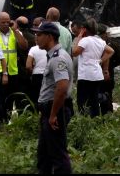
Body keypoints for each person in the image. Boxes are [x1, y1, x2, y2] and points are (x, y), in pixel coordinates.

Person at [33, 21, 73, 174]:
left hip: (55, 109)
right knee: (44, 154)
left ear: (49, 37)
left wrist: (53, 114)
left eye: (39, 34)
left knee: (58, 154)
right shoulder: (54, 55)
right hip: (50, 109)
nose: (36, 37)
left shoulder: (58, 58)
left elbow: (62, 87)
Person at [0, 12, 28, 117]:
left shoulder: (15, 31)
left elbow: (24, 46)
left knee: (11, 98)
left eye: (7, 22)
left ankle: (8, 120)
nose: (5, 24)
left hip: (13, 71)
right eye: (2, 22)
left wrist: (15, 30)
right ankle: (1, 121)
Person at [72, 18, 114, 117]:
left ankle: (84, 121)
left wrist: (79, 36)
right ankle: (96, 119)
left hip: (86, 76)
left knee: (82, 101)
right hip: (97, 75)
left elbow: (74, 52)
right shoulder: (100, 41)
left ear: (85, 29)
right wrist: (100, 60)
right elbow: (111, 51)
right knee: (94, 100)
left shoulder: (85, 41)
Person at [27, 18, 48, 109]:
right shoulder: (49, 48)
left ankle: (36, 117)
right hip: (48, 76)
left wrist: (31, 72)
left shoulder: (33, 49)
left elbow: (28, 65)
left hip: (36, 76)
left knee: (35, 99)